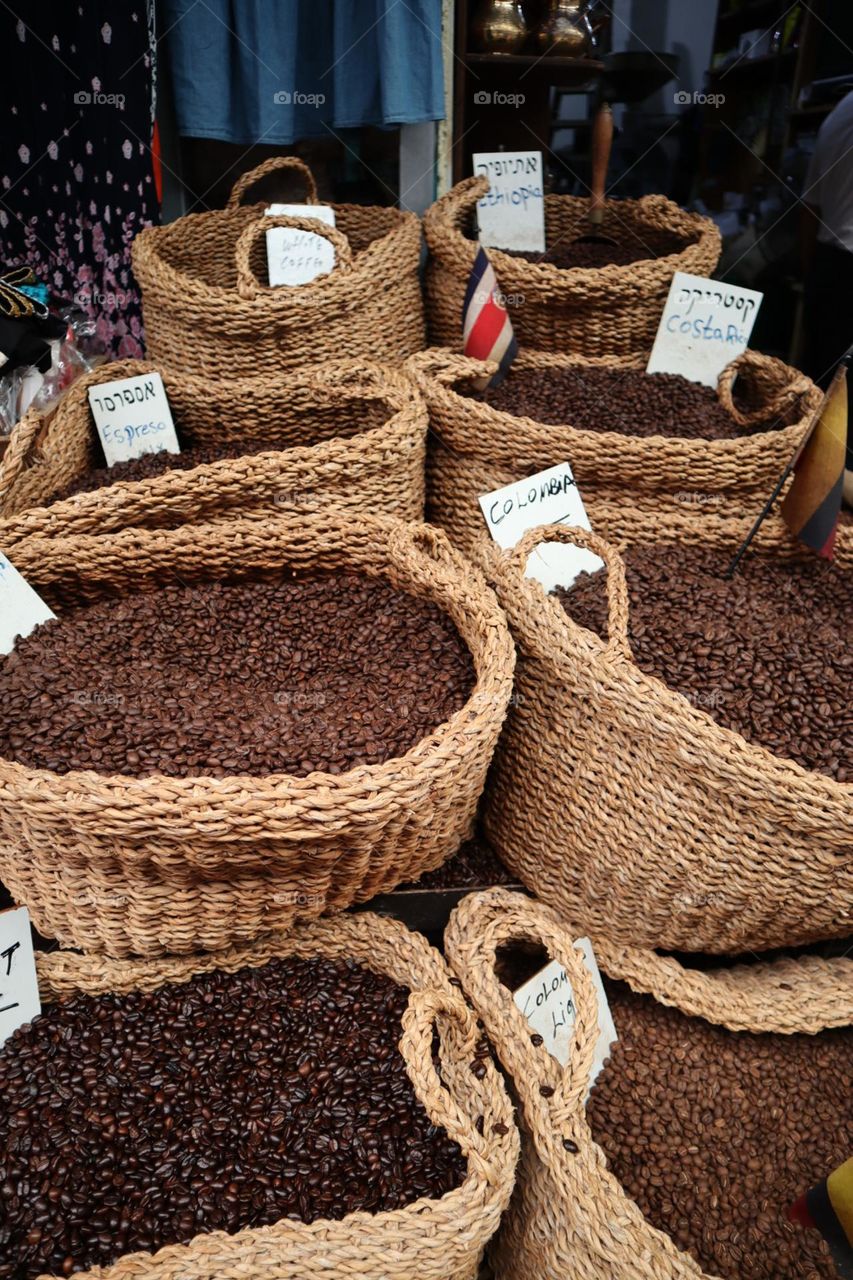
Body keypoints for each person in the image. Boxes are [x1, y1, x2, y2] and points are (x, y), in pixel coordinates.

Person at [802, 90, 853, 506]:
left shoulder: (840, 110)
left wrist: (810, 274)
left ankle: (811, 495)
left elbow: (810, 208)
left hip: (829, 264)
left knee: (823, 387)